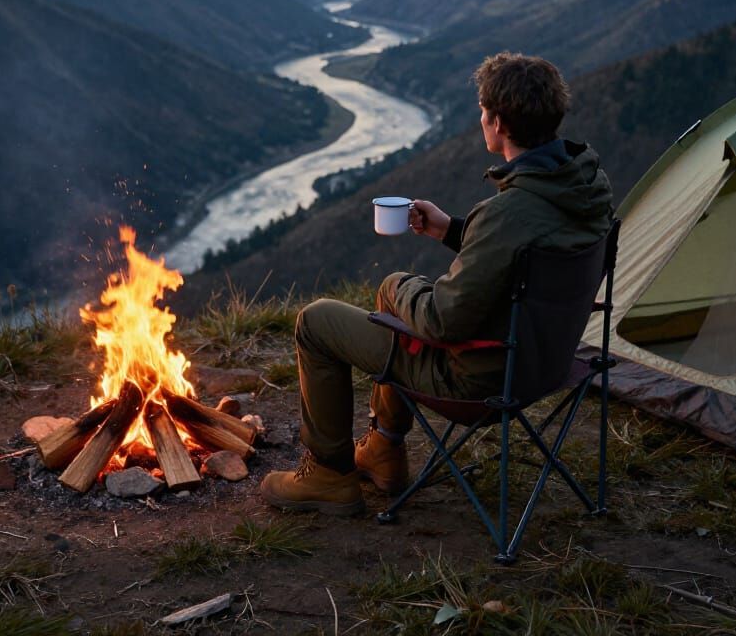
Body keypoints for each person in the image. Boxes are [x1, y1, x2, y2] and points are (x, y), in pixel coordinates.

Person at [259, 51, 614, 515]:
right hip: (546, 360)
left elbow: (443, 322)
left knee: (317, 321)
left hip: (477, 378)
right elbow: (526, 250)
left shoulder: (508, 213)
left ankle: (328, 474)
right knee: (395, 293)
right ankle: (384, 450)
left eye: (484, 111)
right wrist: (449, 229)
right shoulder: (586, 186)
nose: (482, 118)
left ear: (500, 123)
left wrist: (399, 285)